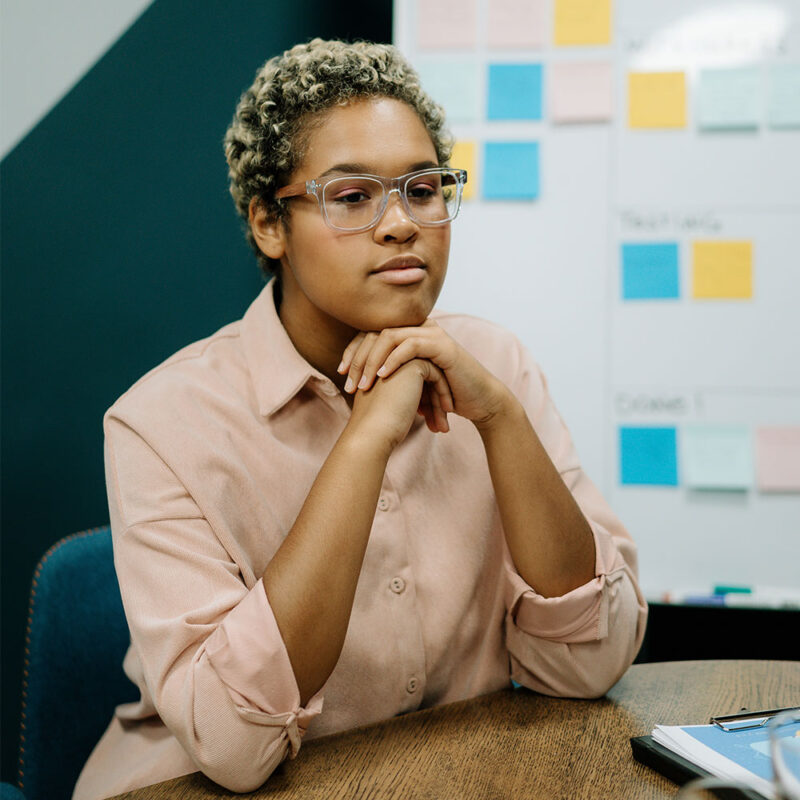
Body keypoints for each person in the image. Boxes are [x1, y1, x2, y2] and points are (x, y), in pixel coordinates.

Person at [74, 38, 647, 799]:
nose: (400, 224)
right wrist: (366, 437)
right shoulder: (160, 423)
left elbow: (591, 663)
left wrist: (502, 419)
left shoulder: (495, 367)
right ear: (269, 225)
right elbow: (237, 749)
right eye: (351, 198)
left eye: (422, 188)